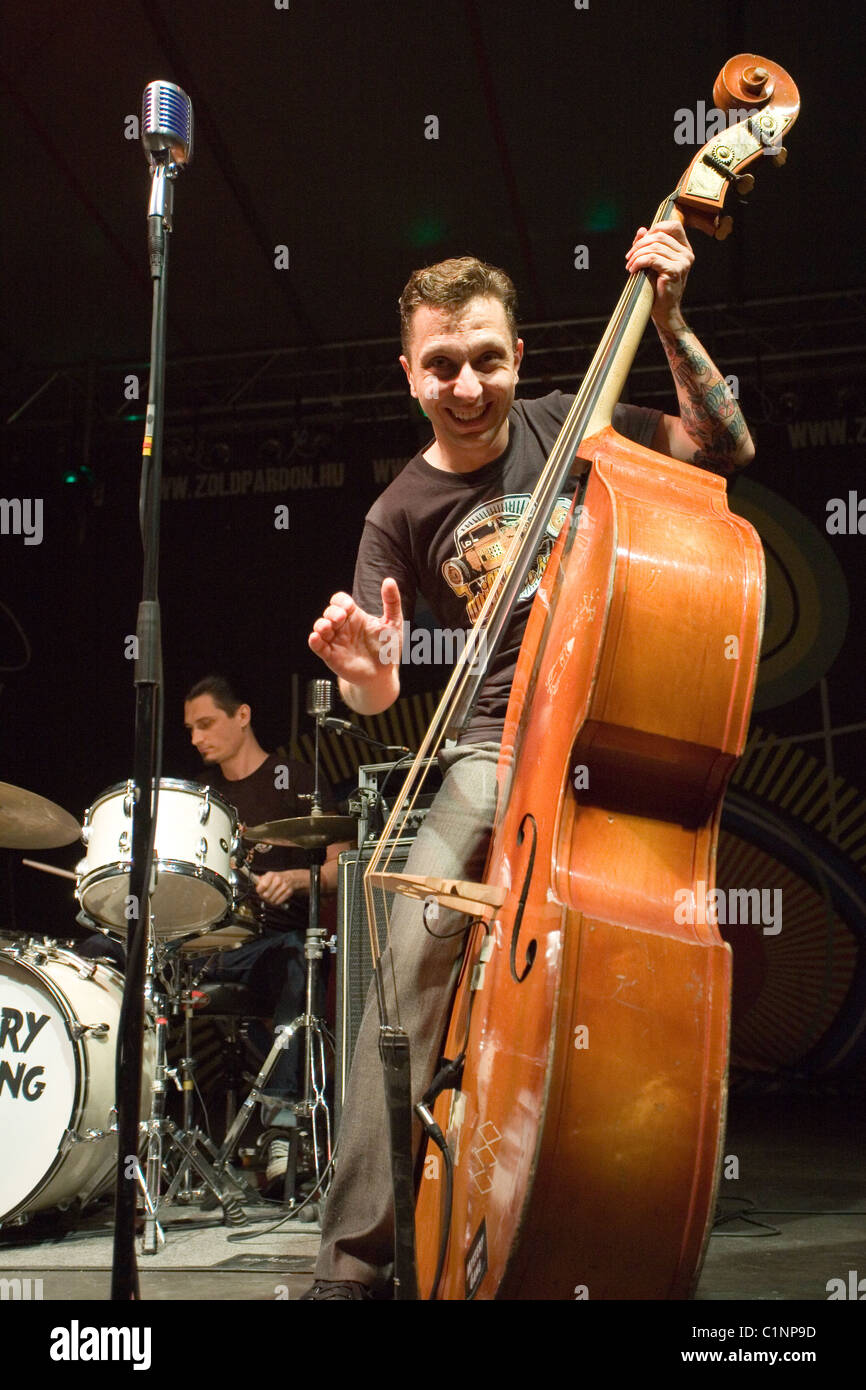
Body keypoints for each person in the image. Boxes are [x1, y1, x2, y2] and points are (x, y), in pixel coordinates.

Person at [302, 221, 755, 1298]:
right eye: (443, 363)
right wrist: (363, 669)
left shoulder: (579, 423)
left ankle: (599, 1198)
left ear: (518, 354)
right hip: (485, 745)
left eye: (487, 357)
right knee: (404, 961)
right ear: (408, 373)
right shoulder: (395, 512)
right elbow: (377, 685)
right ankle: (354, 1263)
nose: (468, 383)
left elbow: (724, 447)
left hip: (606, 729)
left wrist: (674, 317)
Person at [182, 675, 351, 1183]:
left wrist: (299, 879)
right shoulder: (201, 799)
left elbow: (340, 867)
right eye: (190, 729)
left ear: (243, 715)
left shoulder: (296, 779)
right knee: (112, 956)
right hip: (209, 944)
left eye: (206, 724)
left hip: (274, 945)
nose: (195, 738)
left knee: (299, 958)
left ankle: (281, 1131)